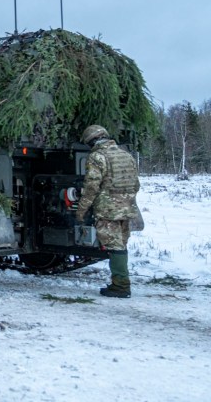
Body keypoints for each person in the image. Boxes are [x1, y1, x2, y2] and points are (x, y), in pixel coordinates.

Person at [75, 124, 141, 298]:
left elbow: (91, 187)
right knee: (121, 244)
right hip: (127, 207)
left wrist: (81, 210)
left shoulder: (97, 157)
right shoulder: (125, 155)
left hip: (108, 210)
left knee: (114, 246)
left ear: (92, 141)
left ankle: (121, 286)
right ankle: (121, 283)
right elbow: (136, 184)